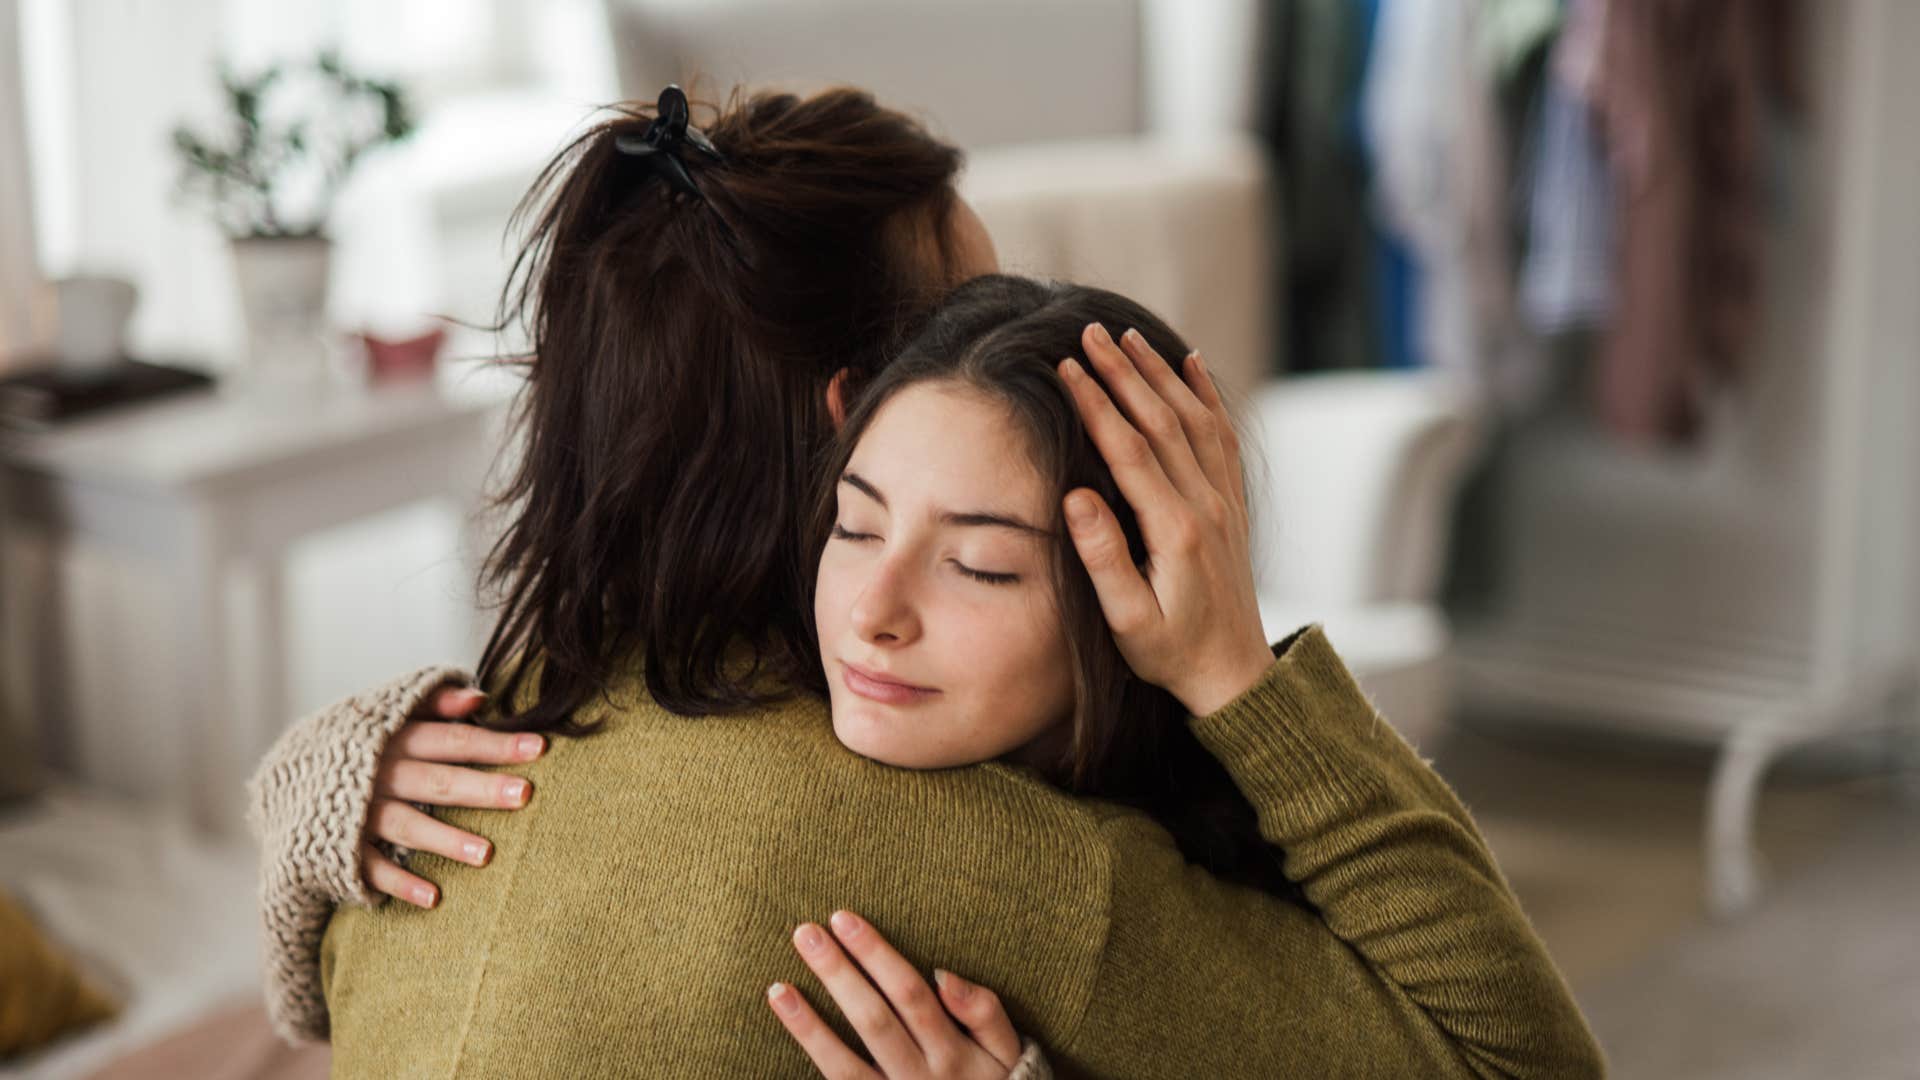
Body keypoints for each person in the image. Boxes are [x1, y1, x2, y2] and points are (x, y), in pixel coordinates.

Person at [252, 88, 1602, 1078]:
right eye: (972, 310)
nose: (1002, 344)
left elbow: (321, 1011)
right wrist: (1240, 678)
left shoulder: (477, 727)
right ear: (861, 412)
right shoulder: (963, 856)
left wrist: (292, 801)